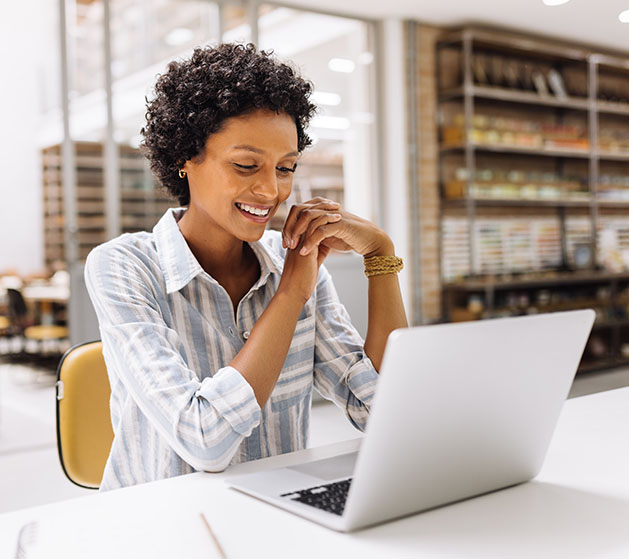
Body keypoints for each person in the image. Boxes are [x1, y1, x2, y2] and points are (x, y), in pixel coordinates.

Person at [85, 43, 407, 491]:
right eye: (245, 165)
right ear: (185, 158)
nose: (270, 190)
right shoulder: (124, 267)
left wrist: (381, 257)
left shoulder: (293, 259)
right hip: (160, 526)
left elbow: (384, 413)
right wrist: (291, 292)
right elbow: (204, 441)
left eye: (286, 168)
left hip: (274, 515)